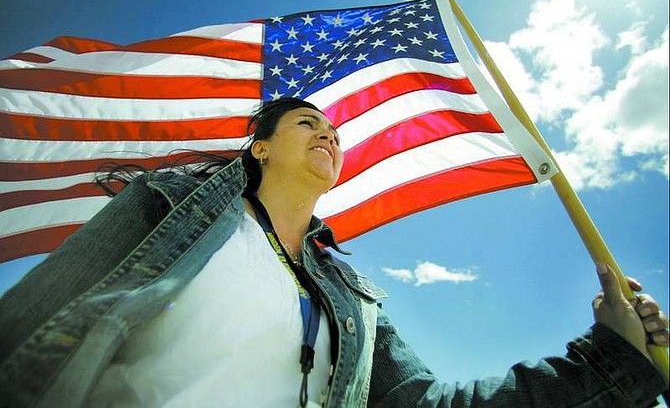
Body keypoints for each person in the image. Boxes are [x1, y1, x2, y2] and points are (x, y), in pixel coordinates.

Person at [0, 97, 667, 408]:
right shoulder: (166, 208)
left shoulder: (352, 294)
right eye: (306, 124)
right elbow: (34, 329)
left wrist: (611, 356)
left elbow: (426, 403)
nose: (328, 134)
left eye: (334, 131)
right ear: (259, 147)